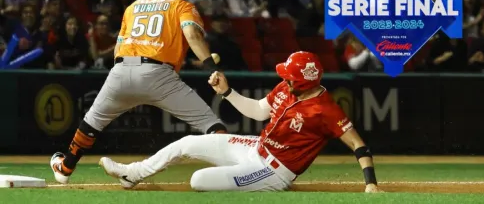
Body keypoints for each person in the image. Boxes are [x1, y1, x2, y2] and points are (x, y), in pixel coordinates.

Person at [98, 51, 382, 193]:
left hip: (275, 171)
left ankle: (243, 178)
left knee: (198, 181)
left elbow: (358, 144)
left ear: (305, 82)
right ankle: (132, 174)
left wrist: (370, 184)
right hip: (256, 147)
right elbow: (259, 111)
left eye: (289, 77)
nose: (284, 79)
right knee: (187, 143)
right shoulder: (287, 88)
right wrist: (227, 93)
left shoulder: (325, 109)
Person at [50, 0, 228, 184]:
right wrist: (212, 68)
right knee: (212, 125)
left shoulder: (133, 6)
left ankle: (65, 168)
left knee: (91, 122)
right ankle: (233, 170)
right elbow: (192, 35)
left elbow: (118, 49)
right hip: (159, 75)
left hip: (121, 71)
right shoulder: (182, 6)